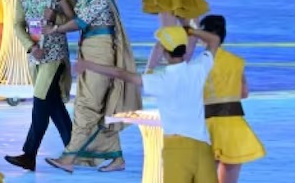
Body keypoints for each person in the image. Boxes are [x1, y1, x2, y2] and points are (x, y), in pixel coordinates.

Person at [76, 24, 222, 183]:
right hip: (203, 147)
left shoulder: (160, 80)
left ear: (164, 52)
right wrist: (191, 30)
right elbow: (214, 40)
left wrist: (88, 65)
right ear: (184, 49)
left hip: (177, 149)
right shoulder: (198, 69)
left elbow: (120, 73)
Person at [40, 0, 141, 173]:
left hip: (100, 52)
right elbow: (75, 16)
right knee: (95, 106)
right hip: (88, 49)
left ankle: (69, 158)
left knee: (87, 105)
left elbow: (80, 23)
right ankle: (117, 158)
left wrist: (55, 29)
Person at [4, 0, 76, 172]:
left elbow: (76, 20)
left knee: (40, 102)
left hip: (54, 55)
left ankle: (29, 154)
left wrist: (56, 17)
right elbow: (17, 25)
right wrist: (30, 46)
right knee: (53, 106)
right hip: (35, 56)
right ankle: (75, 149)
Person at [199, 15, 265, 183]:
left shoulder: (199, 63)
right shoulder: (237, 61)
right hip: (234, 125)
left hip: (207, 124)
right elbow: (244, 93)